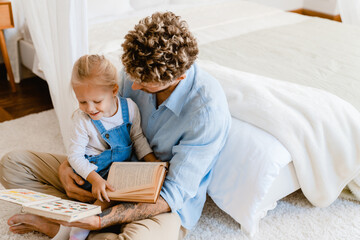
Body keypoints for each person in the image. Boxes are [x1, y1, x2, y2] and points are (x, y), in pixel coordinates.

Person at [0, 11, 231, 240]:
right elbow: (101, 126)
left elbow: (173, 195)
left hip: (157, 201)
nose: (134, 87)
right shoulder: (136, 71)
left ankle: (65, 227)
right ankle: (82, 222)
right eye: (133, 78)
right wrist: (66, 167)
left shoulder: (207, 113)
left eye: (145, 85)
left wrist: (102, 219)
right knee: (13, 165)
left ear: (177, 79)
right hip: (109, 172)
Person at [67, 54, 159, 240]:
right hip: (93, 174)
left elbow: (138, 138)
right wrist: (95, 180)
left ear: (114, 90)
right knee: (112, 195)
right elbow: (75, 156)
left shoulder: (130, 108)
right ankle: (77, 232)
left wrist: (154, 163)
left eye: (97, 101)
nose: (90, 108)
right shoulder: (82, 120)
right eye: (82, 101)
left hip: (119, 170)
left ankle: (85, 223)